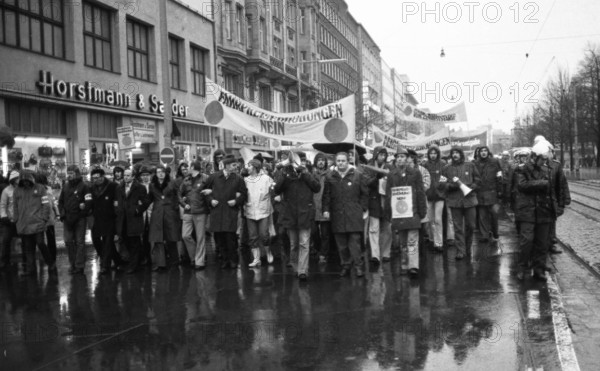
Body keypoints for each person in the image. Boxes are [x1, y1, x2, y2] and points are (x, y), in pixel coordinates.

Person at [514, 140, 565, 281]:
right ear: (535, 156)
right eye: (542, 158)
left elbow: (556, 188)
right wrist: (541, 183)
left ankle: (539, 269)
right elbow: (521, 185)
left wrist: (559, 206)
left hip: (544, 210)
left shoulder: (549, 170)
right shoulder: (521, 168)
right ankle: (522, 267)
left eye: (545, 159)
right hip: (527, 211)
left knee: (542, 243)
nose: (544, 161)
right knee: (526, 241)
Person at [274, 152, 320, 280]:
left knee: (304, 243)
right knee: (294, 244)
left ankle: (302, 270)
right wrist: (285, 174)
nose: (301, 162)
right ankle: (295, 266)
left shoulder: (309, 173)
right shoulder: (287, 173)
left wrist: (305, 173)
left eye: (303, 160)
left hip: (305, 213)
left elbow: (316, 187)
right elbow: (277, 189)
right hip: (291, 214)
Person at [322, 152, 368, 278]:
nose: (341, 163)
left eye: (343, 160)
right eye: (339, 161)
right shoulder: (330, 176)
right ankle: (346, 265)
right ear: (336, 162)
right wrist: (325, 209)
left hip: (354, 214)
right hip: (337, 214)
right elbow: (326, 195)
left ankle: (358, 266)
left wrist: (362, 208)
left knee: (355, 243)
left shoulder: (358, 175)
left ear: (348, 161)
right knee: (341, 244)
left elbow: (364, 193)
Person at [384, 147, 427, 277]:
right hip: (399, 213)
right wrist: (388, 213)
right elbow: (388, 195)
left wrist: (422, 210)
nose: (400, 159)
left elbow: (420, 192)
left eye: (403, 157)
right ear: (396, 159)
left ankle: (413, 266)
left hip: (413, 212)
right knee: (403, 241)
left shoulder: (415, 173)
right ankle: (404, 265)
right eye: (398, 157)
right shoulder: (392, 175)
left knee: (412, 241)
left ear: (407, 158)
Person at [205, 155, 247, 269]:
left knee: (231, 239)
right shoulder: (214, 177)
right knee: (219, 239)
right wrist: (211, 200)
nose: (235, 167)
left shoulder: (238, 179)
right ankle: (224, 260)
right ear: (227, 166)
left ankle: (233, 260)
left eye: (236, 165)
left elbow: (244, 194)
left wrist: (236, 201)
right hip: (217, 212)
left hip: (230, 213)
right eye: (233, 165)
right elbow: (204, 192)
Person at [438, 147, 481, 260]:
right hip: (454, 201)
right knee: (458, 227)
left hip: (470, 200)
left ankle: (467, 247)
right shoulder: (446, 168)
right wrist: (450, 186)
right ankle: (460, 251)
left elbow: (477, 179)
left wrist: (472, 187)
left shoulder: (470, 165)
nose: (455, 155)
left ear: (461, 154)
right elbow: (441, 184)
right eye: (453, 153)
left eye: (457, 153)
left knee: (471, 226)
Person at [13, 170, 53, 276]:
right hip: (24, 224)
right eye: (24, 181)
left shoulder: (40, 188)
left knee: (40, 243)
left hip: (38, 223)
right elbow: (15, 207)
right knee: (29, 248)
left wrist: (44, 218)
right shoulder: (17, 191)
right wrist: (16, 220)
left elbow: (46, 204)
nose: (26, 183)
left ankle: (50, 263)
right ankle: (31, 270)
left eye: (27, 181)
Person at [89, 168, 124, 274]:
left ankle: (105, 265)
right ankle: (118, 261)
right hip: (97, 218)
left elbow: (118, 202)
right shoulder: (91, 188)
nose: (95, 180)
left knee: (108, 242)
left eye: (97, 177)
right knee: (95, 240)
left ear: (102, 176)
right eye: (93, 178)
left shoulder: (113, 186)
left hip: (110, 218)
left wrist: (117, 215)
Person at [59, 165, 92, 274]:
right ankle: (72, 263)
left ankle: (79, 265)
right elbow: (60, 202)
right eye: (68, 173)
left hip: (80, 219)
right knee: (68, 241)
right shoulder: (65, 186)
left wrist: (83, 212)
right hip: (67, 219)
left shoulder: (84, 186)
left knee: (79, 242)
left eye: (72, 173)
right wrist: (62, 214)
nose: (70, 175)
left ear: (77, 174)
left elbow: (88, 201)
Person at [148, 164, 182, 271]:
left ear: (166, 173)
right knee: (158, 239)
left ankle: (174, 262)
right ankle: (161, 264)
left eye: (162, 172)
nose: (161, 174)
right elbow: (149, 199)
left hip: (169, 214)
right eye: (158, 172)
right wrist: (139, 208)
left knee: (171, 239)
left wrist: (176, 208)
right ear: (156, 174)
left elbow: (178, 197)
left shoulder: (172, 184)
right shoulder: (152, 185)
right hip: (157, 214)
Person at [116, 169, 150, 274]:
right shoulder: (119, 187)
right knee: (126, 240)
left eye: (128, 175)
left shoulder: (140, 188)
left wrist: (137, 210)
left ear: (133, 176)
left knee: (134, 242)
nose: (126, 177)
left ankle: (134, 265)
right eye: (125, 175)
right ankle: (139, 259)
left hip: (134, 219)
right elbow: (117, 201)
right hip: (123, 219)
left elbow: (145, 202)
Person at [243, 159, 274, 267]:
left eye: (250, 166)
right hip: (250, 211)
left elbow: (274, 188)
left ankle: (268, 252)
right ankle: (256, 259)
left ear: (256, 167)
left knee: (264, 235)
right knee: (252, 236)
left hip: (263, 210)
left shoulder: (265, 178)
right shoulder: (245, 180)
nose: (248, 167)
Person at [180, 160, 210, 270]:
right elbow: (179, 194)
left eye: (189, 166)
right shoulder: (186, 179)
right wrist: (183, 204)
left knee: (200, 237)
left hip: (201, 211)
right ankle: (194, 257)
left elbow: (212, 190)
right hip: (188, 211)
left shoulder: (205, 178)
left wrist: (210, 192)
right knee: (185, 235)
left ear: (193, 167)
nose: (187, 168)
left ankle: (199, 261)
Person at [365, 146, 393, 264]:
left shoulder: (389, 167)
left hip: (387, 201)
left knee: (387, 229)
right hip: (374, 200)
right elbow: (366, 182)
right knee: (374, 229)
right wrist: (377, 177)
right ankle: (375, 255)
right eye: (381, 154)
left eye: (384, 155)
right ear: (376, 154)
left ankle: (386, 253)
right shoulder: (369, 167)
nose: (383, 157)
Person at [474, 146, 503, 243]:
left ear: (488, 152)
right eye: (481, 151)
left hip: (492, 192)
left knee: (494, 213)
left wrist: (500, 190)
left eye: (485, 151)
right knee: (482, 216)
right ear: (479, 153)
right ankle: (484, 235)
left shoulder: (494, 162)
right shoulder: (475, 163)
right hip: (480, 193)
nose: (483, 153)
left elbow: (499, 175)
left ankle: (495, 231)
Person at [422, 145, 447, 252]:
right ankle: (432, 239)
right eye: (431, 153)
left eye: (434, 153)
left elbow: (445, 178)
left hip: (440, 196)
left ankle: (439, 242)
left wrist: (441, 187)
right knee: (430, 220)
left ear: (438, 154)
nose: (433, 155)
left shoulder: (443, 164)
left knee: (438, 219)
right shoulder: (425, 164)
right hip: (428, 196)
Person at [312, 152, 333, 264]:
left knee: (325, 233)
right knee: (314, 232)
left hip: (325, 207)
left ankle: (324, 254)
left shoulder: (330, 174)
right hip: (314, 207)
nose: (321, 162)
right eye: (318, 160)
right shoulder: (311, 174)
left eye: (322, 160)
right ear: (315, 162)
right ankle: (317, 249)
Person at [38, 174, 59, 264]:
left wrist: (57, 214)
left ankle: (52, 258)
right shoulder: (43, 190)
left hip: (47, 218)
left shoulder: (47, 190)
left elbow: (53, 203)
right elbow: (53, 203)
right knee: (41, 240)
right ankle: (48, 257)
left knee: (50, 240)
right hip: (40, 219)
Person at [0, 170, 19, 270]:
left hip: (20, 221)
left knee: (26, 241)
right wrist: (4, 217)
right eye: (16, 179)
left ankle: (27, 262)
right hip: (9, 221)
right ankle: (4, 262)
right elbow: (3, 205)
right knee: (6, 241)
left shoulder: (22, 190)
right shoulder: (6, 191)